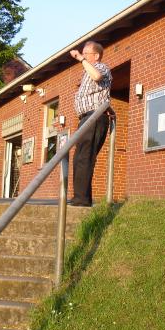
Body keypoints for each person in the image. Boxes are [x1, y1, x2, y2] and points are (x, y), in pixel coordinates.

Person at [68, 41, 112, 207]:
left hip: (95, 117)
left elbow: (97, 77)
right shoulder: (87, 71)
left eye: (86, 53)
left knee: (85, 156)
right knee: (79, 156)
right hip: (85, 118)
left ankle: (82, 199)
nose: (83, 56)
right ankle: (80, 196)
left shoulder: (102, 67)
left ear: (96, 56)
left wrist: (80, 59)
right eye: (82, 54)